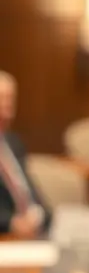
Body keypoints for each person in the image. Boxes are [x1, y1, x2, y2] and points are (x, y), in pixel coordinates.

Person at [0, 72, 48, 238]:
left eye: (10, 98)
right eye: (2, 98)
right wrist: (10, 223)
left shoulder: (13, 143)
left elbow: (28, 191)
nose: (6, 104)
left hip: (34, 235)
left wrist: (40, 214)